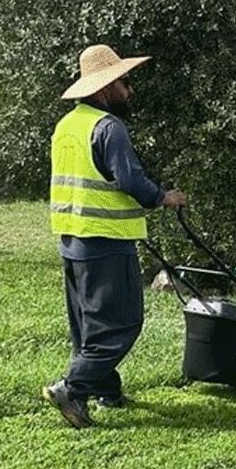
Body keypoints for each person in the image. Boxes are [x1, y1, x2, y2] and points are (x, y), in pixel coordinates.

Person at [43, 44, 189, 429]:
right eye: (125, 82)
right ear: (105, 87)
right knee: (122, 322)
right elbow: (129, 179)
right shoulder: (109, 128)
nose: (130, 90)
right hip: (105, 240)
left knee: (89, 324)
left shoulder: (67, 126)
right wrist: (164, 198)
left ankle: (105, 390)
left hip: (72, 240)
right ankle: (72, 389)